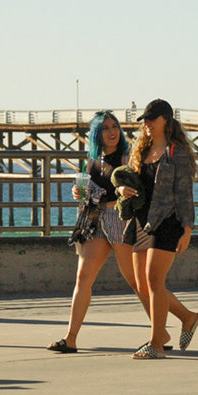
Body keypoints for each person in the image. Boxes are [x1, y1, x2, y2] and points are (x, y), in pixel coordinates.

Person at [48, 110, 137, 353]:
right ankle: (71, 337)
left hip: (119, 218)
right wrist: (78, 193)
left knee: (137, 280)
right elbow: (91, 191)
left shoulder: (126, 157)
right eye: (106, 127)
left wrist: (120, 191)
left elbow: (132, 188)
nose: (112, 131)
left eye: (114, 126)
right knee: (83, 277)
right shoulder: (92, 160)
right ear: (97, 133)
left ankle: (168, 327)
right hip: (94, 219)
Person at [119, 99, 198, 359]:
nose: (147, 124)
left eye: (151, 119)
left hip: (167, 222)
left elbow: (185, 194)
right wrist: (121, 189)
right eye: (144, 120)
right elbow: (129, 178)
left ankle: (156, 344)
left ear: (166, 119)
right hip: (141, 223)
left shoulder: (177, 152)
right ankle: (188, 317)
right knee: (143, 286)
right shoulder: (141, 151)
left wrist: (187, 229)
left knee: (155, 281)